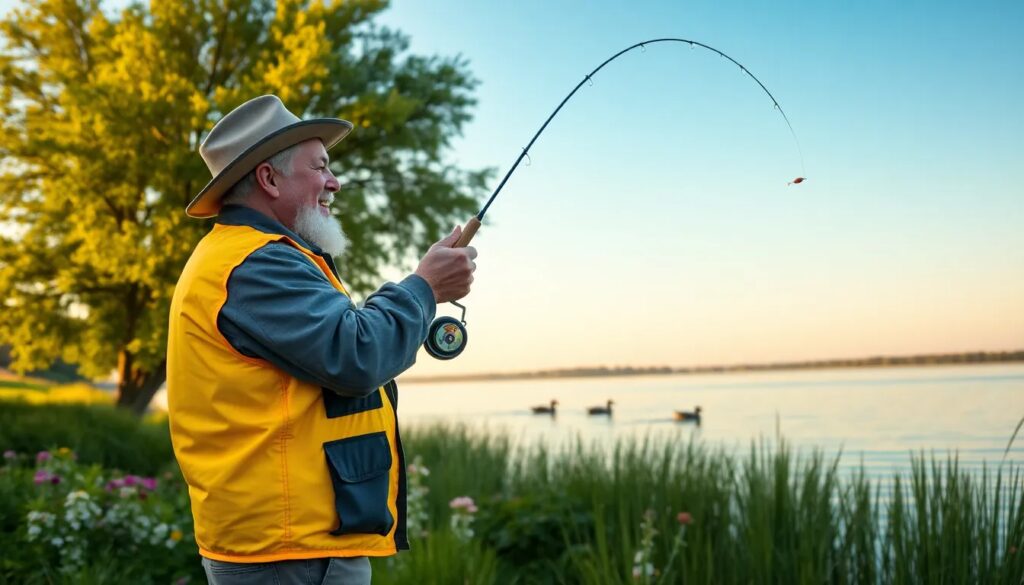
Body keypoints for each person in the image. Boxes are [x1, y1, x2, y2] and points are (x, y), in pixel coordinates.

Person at [166, 95, 477, 585]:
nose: (334, 182)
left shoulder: (248, 257)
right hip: (290, 553)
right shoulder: (256, 264)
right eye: (321, 167)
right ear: (269, 179)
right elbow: (356, 354)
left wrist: (421, 290)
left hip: (288, 545)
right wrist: (424, 288)